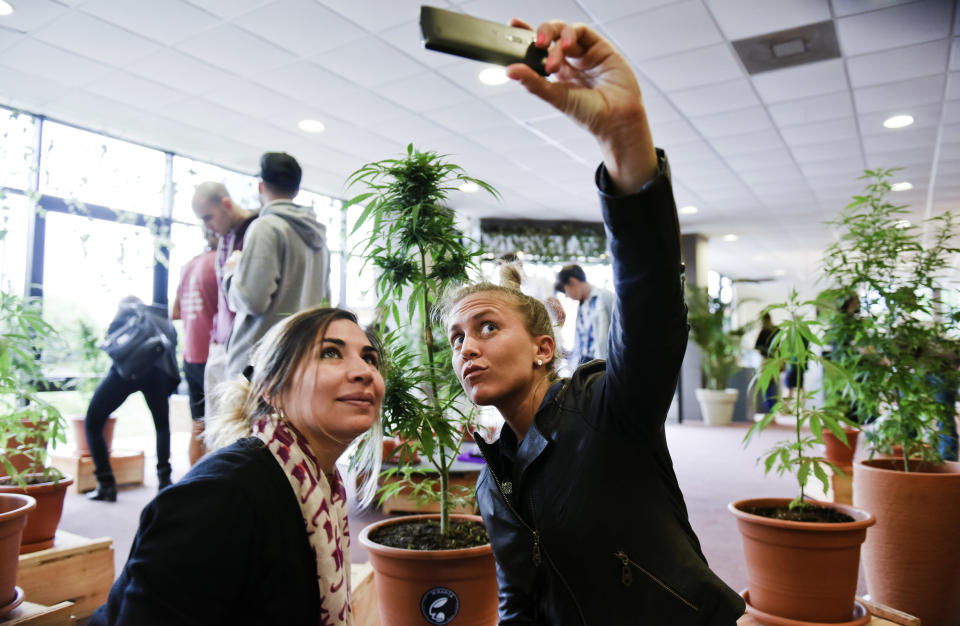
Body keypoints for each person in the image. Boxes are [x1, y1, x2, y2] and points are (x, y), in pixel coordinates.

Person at [441, 19, 744, 623]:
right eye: (456, 338)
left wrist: (625, 137)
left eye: (487, 327)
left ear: (544, 348)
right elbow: (518, 601)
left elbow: (651, 308)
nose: (466, 348)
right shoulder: (491, 480)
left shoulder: (605, 408)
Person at [89, 307, 384, 625]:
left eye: (370, 358)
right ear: (271, 388)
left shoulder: (318, 485)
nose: (364, 371)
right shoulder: (220, 497)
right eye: (331, 353)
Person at [223, 152, 331, 381]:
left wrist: (232, 273)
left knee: (248, 418)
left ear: (261, 186)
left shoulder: (267, 227)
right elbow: (324, 302)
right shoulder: (319, 239)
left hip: (260, 363)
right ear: (296, 190)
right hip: (298, 359)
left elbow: (253, 300)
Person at [86, 297, 180, 502]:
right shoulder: (161, 317)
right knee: (162, 426)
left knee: (93, 421)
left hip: (126, 371)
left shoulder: (126, 307)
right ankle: (165, 481)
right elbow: (173, 348)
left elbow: (112, 337)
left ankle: (106, 484)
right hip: (158, 373)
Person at [191, 182, 256, 420]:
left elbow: (252, 299)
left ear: (226, 204)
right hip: (220, 345)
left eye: (209, 217)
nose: (207, 226)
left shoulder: (254, 232)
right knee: (214, 427)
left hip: (244, 349)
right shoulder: (226, 239)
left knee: (235, 427)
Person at [171, 228, 219, 466]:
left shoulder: (188, 265)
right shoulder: (220, 264)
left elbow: (175, 312)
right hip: (213, 355)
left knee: (198, 423)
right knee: (218, 427)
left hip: (190, 354)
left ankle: (193, 483)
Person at [555, 263, 615, 366]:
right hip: (587, 364)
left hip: (605, 364)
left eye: (565, 290)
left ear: (573, 282)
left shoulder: (606, 298)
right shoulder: (582, 306)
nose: (566, 296)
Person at [754, 312, 778, 413]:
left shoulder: (764, 331)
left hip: (766, 361)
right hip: (776, 360)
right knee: (773, 386)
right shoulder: (777, 330)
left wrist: (766, 350)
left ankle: (770, 411)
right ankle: (773, 411)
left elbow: (756, 346)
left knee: (766, 386)